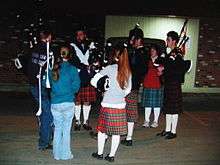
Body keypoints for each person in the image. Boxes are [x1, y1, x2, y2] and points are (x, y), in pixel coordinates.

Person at [90, 43, 132, 162]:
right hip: (119, 106)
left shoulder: (109, 68)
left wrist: (102, 89)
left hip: (107, 104)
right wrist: (119, 95)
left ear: (114, 56)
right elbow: (128, 90)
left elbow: (93, 81)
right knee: (116, 133)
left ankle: (99, 153)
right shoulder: (128, 71)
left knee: (102, 131)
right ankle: (111, 156)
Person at [156, 31, 191, 139]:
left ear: (174, 41)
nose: (167, 41)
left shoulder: (178, 53)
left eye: (168, 39)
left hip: (174, 83)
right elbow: (167, 65)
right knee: (168, 108)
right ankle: (167, 130)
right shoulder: (171, 53)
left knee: (174, 109)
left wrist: (164, 69)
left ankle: (173, 131)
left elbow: (177, 69)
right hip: (169, 83)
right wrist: (162, 69)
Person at [50, 45, 80, 160]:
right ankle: (66, 154)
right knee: (66, 130)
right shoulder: (72, 69)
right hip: (68, 102)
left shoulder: (53, 69)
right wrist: (69, 92)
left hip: (55, 103)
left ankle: (56, 154)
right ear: (70, 55)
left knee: (57, 129)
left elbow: (46, 84)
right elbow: (76, 87)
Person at [27, 29, 54, 150]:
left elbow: (29, 66)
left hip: (33, 85)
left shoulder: (33, 49)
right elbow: (51, 70)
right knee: (47, 114)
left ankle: (46, 138)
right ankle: (44, 142)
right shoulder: (48, 51)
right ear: (48, 37)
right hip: (42, 87)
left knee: (44, 112)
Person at [121, 36, 149, 146]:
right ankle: (128, 137)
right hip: (134, 85)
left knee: (129, 112)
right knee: (130, 112)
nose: (131, 42)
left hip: (130, 85)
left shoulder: (137, 53)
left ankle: (128, 138)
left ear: (138, 40)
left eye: (133, 40)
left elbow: (131, 68)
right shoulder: (143, 52)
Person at [70, 28, 97, 131]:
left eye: (81, 34)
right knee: (77, 101)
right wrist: (84, 66)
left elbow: (93, 58)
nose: (79, 36)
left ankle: (86, 121)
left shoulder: (90, 46)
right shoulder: (72, 46)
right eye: (77, 35)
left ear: (84, 35)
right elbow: (72, 60)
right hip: (77, 76)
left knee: (87, 101)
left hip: (88, 76)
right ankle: (77, 121)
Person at [141, 44, 164, 128]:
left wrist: (162, 72)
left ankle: (155, 121)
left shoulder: (161, 60)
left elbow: (164, 71)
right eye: (151, 50)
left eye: (153, 50)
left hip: (157, 84)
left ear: (157, 51)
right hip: (148, 84)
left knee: (156, 105)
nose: (152, 52)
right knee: (148, 104)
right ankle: (146, 121)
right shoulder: (147, 60)